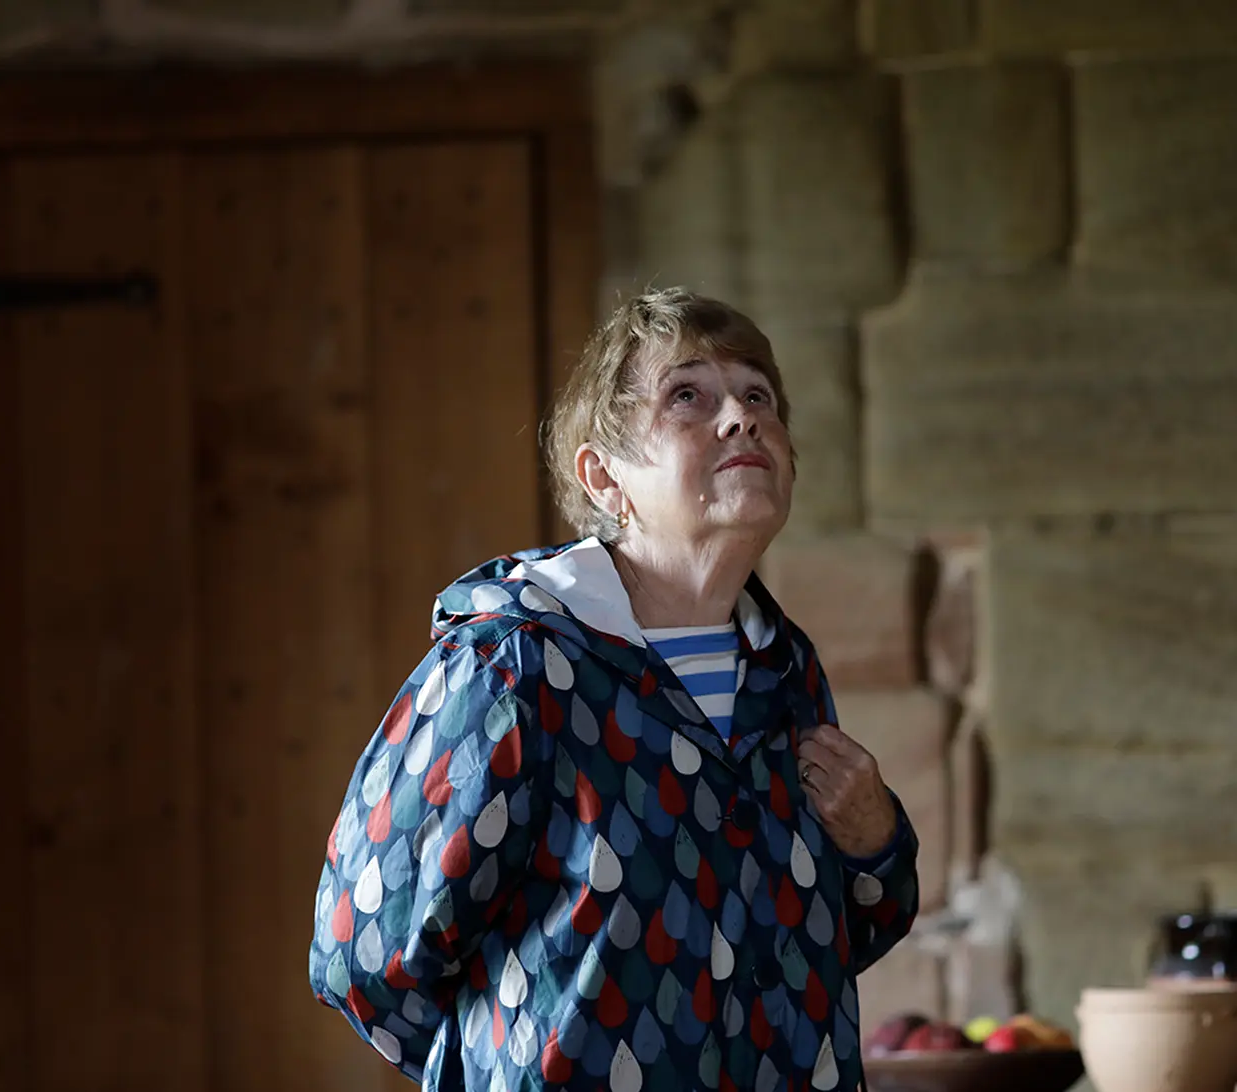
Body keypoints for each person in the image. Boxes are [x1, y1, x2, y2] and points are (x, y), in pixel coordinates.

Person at [308, 286, 920, 1092]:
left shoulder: (784, 670)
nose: (742, 418)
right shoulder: (512, 668)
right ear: (604, 477)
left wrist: (879, 840)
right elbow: (361, 950)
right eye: (689, 396)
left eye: (759, 396)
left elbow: (818, 944)